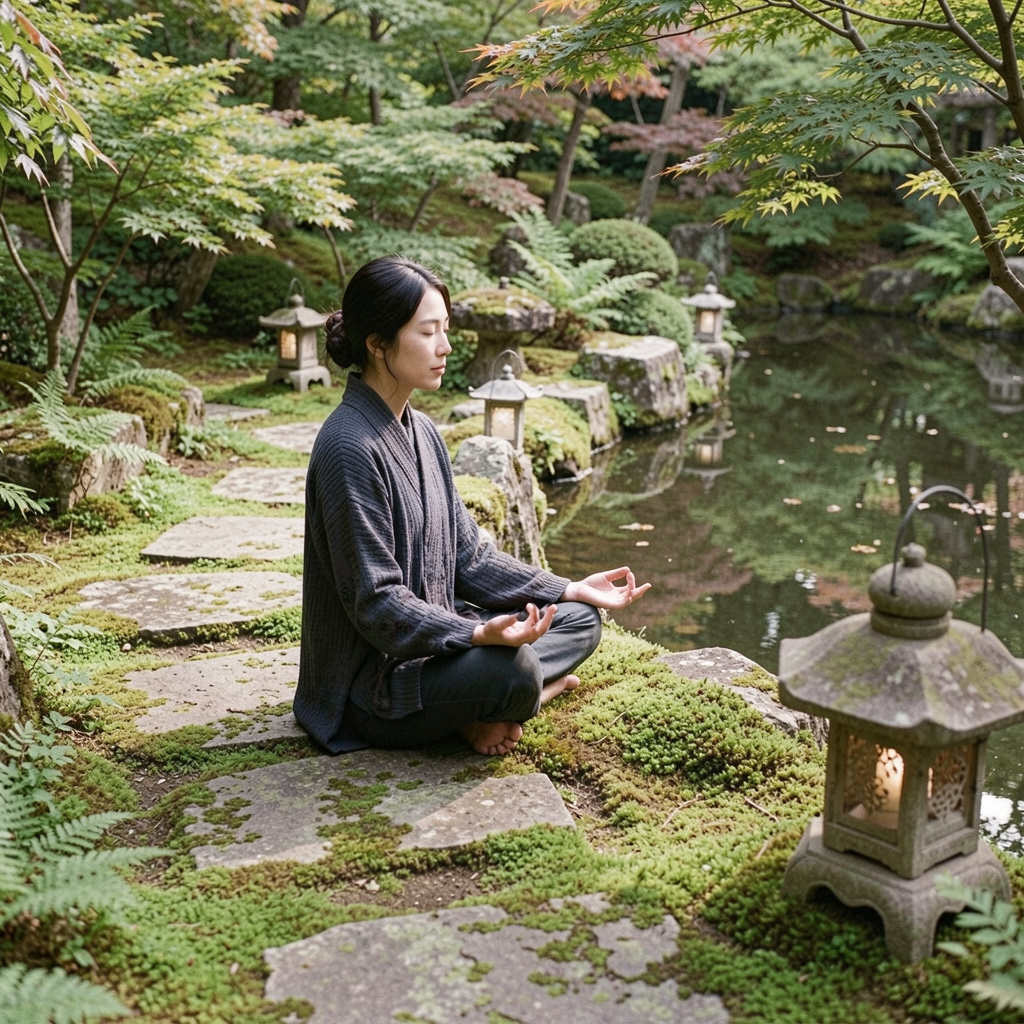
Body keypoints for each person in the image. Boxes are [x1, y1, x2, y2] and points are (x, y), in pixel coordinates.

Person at [295, 256, 650, 757]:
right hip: (371, 688)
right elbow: (377, 604)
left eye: (446, 329)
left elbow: (469, 557)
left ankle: (484, 709)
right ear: (377, 344)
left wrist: (568, 588)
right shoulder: (348, 448)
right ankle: (508, 700)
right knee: (516, 668)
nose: (445, 347)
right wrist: (478, 634)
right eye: (427, 332)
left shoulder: (422, 431)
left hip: (436, 645)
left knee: (579, 619)